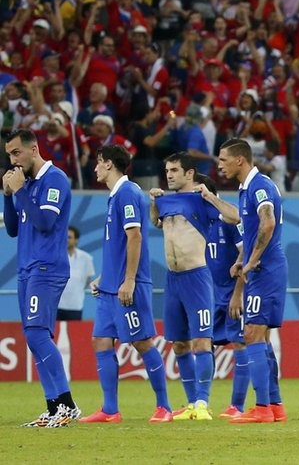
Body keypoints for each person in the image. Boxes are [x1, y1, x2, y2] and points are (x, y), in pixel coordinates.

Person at [80, 144, 172, 423]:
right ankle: (110, 409)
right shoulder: (115, 196)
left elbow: (135, 237)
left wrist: (128, 280)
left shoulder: (129, 193)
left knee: (142, 342)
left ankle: (164, 408)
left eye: (98, 162)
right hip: (111, 285)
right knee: (100, 340)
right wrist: (104, 277)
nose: (94, 167)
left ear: (109, 164)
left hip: (128, 284)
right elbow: (118, 245)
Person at [148, 152, 239, 421]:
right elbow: (155, 222)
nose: (169, 174)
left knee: (202, 342)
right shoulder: (165, 200)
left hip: (197, 278)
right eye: (167, 170)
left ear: (189, 173)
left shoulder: (200, 200)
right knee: (178, 345)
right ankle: (190, 404)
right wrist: (153, 203)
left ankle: (202, 402)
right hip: (172, 279)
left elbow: (234, 217)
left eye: (175, 170)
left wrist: (210, 196)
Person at [3, 129, 81, 428]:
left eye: (16, 153)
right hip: (26, 269)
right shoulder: (28, 183)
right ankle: (52, 407)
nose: (12, 160)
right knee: (34, 339)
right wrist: (9, 196)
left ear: (33, 149)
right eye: (9, 154)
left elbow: (46, 223)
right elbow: (12, 229)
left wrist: (21, 190)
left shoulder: (55, 179)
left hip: (47, 267)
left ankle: (67, 405)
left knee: (37, 334)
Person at [211, 138, 288, 424]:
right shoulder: (246, 190)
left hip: (266, 270)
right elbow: (255, 228)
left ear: (240, 160)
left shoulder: (260, 186)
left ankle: (262, 408)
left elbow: (267, 223)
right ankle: (275, 406)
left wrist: (253, 258)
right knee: (262, 338)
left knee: (253, 335)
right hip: (262, 269)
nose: (220, 164)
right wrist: (243, 261)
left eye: (223, 159)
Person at [199, 172, 249, 420]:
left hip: (232, 295)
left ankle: (237, 406)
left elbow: (246, 254)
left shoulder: (228, 219)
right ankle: (200, 403)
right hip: (208, 296)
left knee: (241, 343)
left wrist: (237, 294)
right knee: (203, 343)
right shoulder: (199, 221)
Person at [58, 226, 96, 321]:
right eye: (65, 237)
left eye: (69, 237)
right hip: (57, 305)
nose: (66, 240)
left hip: (76, 306)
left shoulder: (86, 258)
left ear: (76, 240)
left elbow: (88, 280)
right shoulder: (56, 257)